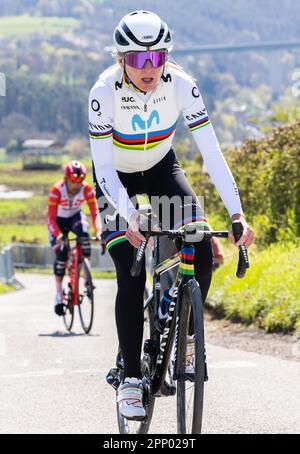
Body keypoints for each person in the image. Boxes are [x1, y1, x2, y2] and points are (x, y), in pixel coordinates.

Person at [89, 11, 255, 420]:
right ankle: (130, 376)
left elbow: (212, 153)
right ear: (120, 58)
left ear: (167, 57)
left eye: (158, 57)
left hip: (163, 168)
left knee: (199, 243)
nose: (149, 68)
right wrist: (129, 215)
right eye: (138, 60)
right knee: (129, 266)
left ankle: (190, 341)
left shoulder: (182, 86)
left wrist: (237, 214)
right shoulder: (103, 92)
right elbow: (104, 168)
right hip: (117, 179)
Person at [47, 160, 102, 316]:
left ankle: (86, 279)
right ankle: (58, 295)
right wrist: (58, 235)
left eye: (80, 182)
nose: (76, 186)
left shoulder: (87, 190)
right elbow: (50, 218)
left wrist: (98, 231)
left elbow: (95, 213)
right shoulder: (57, 190)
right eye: (73, 182)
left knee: (84, 237)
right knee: (62, 253)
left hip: (75, 218)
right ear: (66, 179)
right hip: (57, 221)